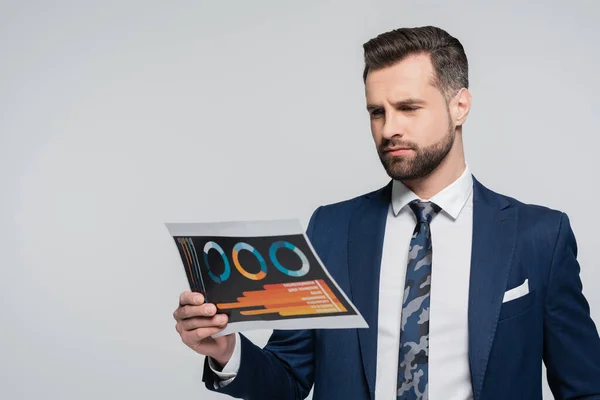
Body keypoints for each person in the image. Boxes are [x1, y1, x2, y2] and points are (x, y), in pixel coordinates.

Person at [172, 26, 600, 400]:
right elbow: (287, 379)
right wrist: (227, 351)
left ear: (460, 106)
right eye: (377, 112)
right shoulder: (331, 229)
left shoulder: (540, 236)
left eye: (409, 108)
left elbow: (585, 387)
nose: (389, 128)